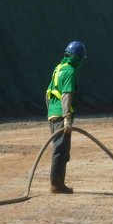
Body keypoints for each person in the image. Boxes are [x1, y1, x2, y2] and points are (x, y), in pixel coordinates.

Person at [45, 40, 86, 194]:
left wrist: (50, 113)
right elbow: (66, 95)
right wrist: (67, 117)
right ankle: (56, 185)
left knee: (62, 149)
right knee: (60, 150)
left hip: (54, 113)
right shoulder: (70, 71)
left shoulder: (59, 68)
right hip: (61, 115)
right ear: (78, 57)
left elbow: (47, 92)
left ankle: (59, 183)